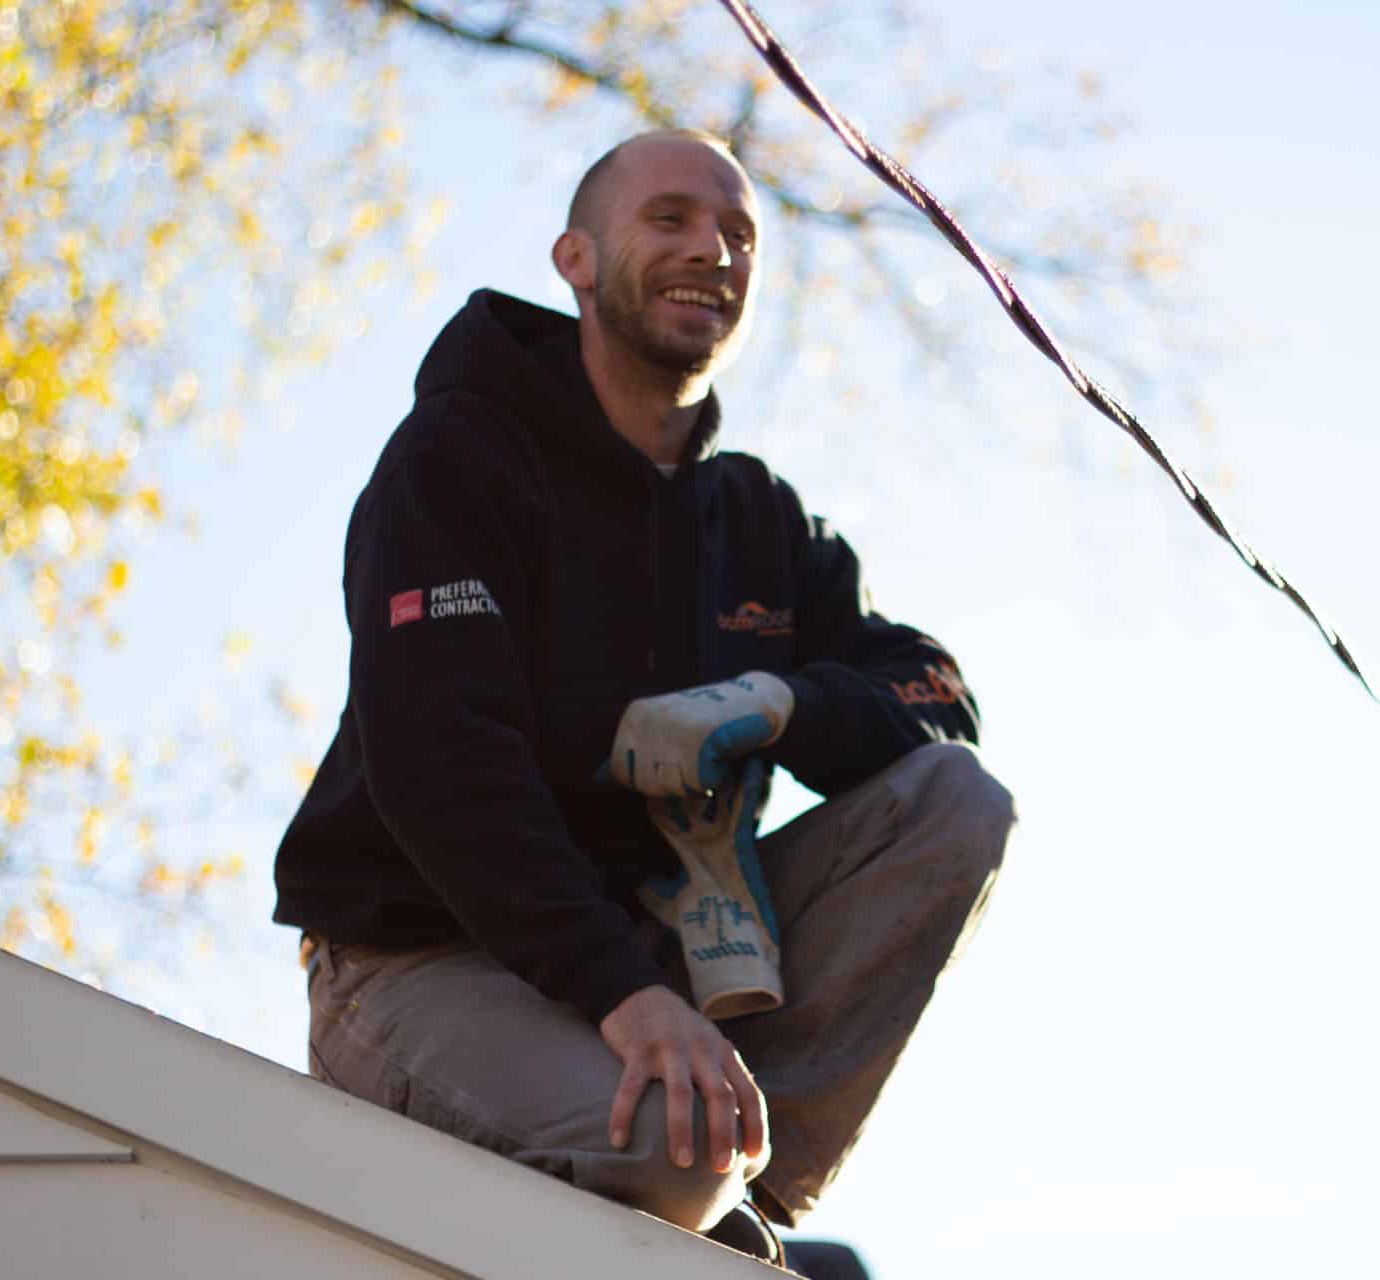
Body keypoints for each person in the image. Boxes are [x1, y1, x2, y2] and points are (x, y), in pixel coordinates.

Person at [272, 129, 1016, 1260]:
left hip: (655, 960)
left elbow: (939, 693)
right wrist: (618, 988)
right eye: (670, 219)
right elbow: (439, 760)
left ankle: (748, 1191)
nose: (712, 249)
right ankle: (706, 1165)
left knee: (953, 800)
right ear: (576, 257)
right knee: (677, 1145)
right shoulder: (461, 456)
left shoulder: (758, 521)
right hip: (421, 956)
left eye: (739, 234)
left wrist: (778, 700)